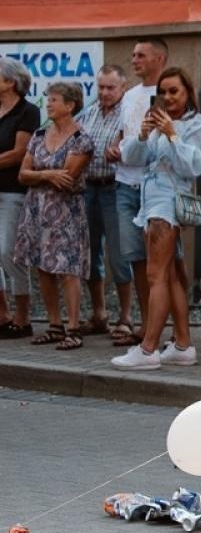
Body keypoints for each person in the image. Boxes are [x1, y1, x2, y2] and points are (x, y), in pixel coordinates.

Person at [112, 67, 201, 369]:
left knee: (155, 275)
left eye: (175, 91)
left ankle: (148, 349)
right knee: (169, 276)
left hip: (166, 205)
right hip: (151, 203)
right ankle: (183, 344)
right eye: (164, 91)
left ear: (188, 94)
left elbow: (196, 166)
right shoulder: (155, 124)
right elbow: (131, 157)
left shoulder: (197, 125)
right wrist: (143, 135)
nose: (169, 97)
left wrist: (172, 134)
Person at [13, 82, 92, 350]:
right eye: (48, 99)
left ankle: (73, 327)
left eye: (54, 100)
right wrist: (47, 174)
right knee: (43, 267)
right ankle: (54, 325)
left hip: (66, 212)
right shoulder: (38, 135)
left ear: (70, 106)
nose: (48, 104)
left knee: (68, 269)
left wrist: (39, 173)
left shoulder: (81, 139)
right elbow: (23, 174)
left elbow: (67, 179)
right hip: (37, 210)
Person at [108, 38, 167, 346]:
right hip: (125, 185)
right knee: (135, 259)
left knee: (162, 263)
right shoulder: (129, 96)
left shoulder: (169, 92)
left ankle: (164, 329)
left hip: (155, 188)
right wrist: (114, 147)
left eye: (141, 55)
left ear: (159, 58)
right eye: (133, 55)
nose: (134, 60)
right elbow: (124, 131)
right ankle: (145, 324)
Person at [77, 64, 133, 340]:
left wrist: (120, 152)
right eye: (101, 87)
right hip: (88, 188)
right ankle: (99, 314)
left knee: (120, 255)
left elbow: (135, 147)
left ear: (123, 87)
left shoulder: (129, 113)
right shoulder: (89, 111)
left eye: (111, 87)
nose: (105, 92)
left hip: (114, 188)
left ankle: (126, 316)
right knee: (89, 254)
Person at [0, 58, 42, 340]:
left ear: (10, 82)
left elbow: (20, 152)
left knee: (8, 252)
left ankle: (23, 316)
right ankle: (2, 314)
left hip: (13, 191)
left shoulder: (28, 112)